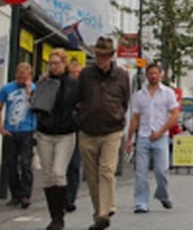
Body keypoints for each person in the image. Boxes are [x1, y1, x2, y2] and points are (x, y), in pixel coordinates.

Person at [76, 36, 131, 230]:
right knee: (91, 176)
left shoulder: (122, 75)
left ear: (112, 56)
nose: (101, 59)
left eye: (105, 55)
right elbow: (78, 97)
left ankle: (103, 212)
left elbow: (125, 102)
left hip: (112, 130)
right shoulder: (85, 75)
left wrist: (116, 115)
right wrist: (82, 116)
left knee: (106, 171)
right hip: (88, 130)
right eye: (99, 55)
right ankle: (100, 212)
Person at [125, 63, 179, 214]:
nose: (153, 76)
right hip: (143, 135)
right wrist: (129, 139)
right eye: (151, 73)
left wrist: (162, 131)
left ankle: (163, 195)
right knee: (141, 172)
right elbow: (135, 117)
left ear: (160, 75)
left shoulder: (168, 93)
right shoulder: (139, 95)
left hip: (160, 136)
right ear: (147, 75)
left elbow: (175, 114)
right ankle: (141, 203)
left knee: (161, 171)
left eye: (156, 73)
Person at [35, 49, 78, 230]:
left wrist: (76, 120)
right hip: (45, 132)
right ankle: (54, 216)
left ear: (64, 63)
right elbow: (36, 104)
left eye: (56, 63)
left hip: (65, 133)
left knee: (59, 172)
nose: (53, 66)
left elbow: (79, 104)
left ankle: (60, 215)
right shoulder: (44, 82)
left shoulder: (73, 84)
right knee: (47, 176)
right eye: (50, 63)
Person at [0, 62, 36, 209]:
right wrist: (0, 128)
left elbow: (36, 106)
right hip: (11, 130)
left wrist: (28, 89)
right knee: (10, 165)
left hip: (27, 130)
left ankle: (25, 195)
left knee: (25, 163)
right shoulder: (6, 88)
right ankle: (15, 194)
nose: (21, 80)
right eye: (19, 77)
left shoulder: (33, 88)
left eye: (24, 77)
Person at [65, 59, 83, 213]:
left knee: (74, 165)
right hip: (63, 129)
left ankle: (70, 198)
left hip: (78, 130)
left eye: (78, 74)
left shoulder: (85, 90)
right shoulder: (63, 87)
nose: (75, 76)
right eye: (73, 73)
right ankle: (62, 197)